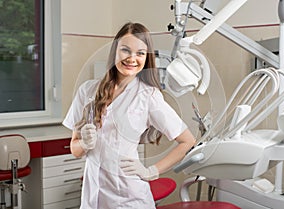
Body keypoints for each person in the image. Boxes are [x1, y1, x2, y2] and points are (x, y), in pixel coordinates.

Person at [63, 22, 196, 209]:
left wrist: (151, 171)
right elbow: (74, 150)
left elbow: (187, 141)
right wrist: (84, 143)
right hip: (92, 197)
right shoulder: (87, 91)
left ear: (146, 57)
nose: (132, 58)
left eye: (140, 53)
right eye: (126, 50)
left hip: (129, 198)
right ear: (115, 52)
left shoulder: (148, 96)